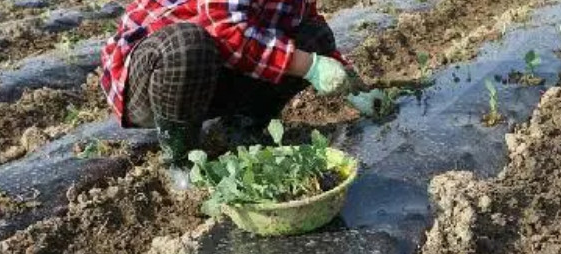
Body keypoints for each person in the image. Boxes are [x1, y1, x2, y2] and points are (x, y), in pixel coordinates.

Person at [99, 0, 367, 166]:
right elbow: (225, 29)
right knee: (188, 44)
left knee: (314, 37)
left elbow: (306, 22)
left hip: (212, 73)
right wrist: (311, 67)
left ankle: (240, 130)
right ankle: (181, 160)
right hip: (154, 78)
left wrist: (348, 80)